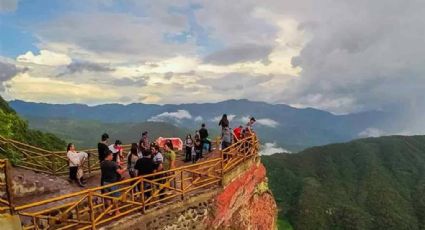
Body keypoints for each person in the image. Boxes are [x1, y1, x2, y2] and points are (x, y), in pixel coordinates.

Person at [101, 150, 126, 216]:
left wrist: (117, 164)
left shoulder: (102, 163)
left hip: (105, 182)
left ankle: (110, 210)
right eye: (112, 155)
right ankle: (117, 211)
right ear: (109, 155)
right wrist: (125, 168)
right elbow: (120, 172)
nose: (112, 156)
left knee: (108, 197)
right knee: (115, 197)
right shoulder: (112, 163)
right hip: (113, 183)